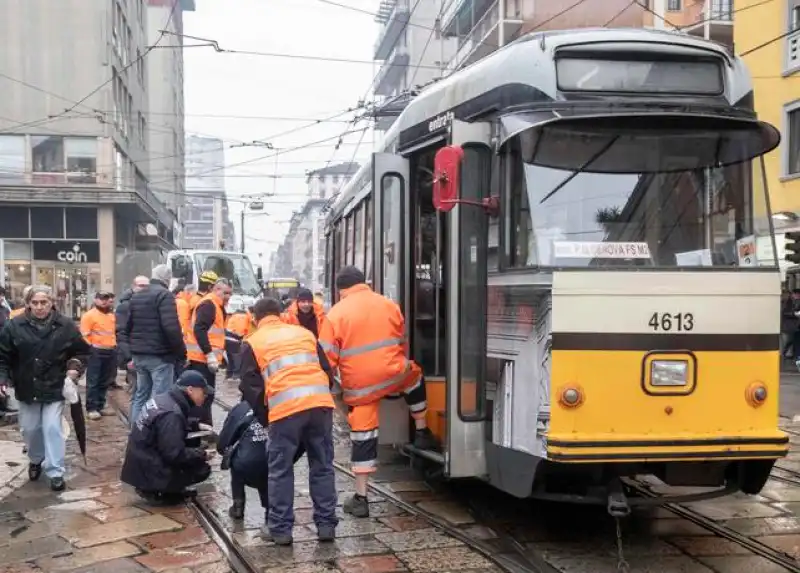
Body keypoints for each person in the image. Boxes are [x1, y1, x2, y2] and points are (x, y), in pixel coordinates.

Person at [321, 266, 436, 518]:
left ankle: (361, 498)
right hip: (394, 374)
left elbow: (326, 360)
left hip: (361, 387)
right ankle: (422, 430)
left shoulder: (335, 314)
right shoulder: (388, 304)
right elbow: (401, 339)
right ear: (365, 283)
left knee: (363, 434)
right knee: (415, 376)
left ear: (342, 290)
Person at [240, 298, 337, 545]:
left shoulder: (253, 341)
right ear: (281, 314)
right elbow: (327, 372)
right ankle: (326, 526)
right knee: (323, 465)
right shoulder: (304, 334)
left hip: (284, 410)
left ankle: (280, 529)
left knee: (280, 470)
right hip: (320, 404)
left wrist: (266, 418)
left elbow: (251, 388)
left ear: (255, 318)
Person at [0, 285, 91, 491]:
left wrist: (73, 370)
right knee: (30, 429)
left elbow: (81, 352)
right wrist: (2, 379)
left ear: (52, 303)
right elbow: (3, 356)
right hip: (27, 386)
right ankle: (35, 458)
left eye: (44, 302)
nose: (40, 307)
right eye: (35, 303)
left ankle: (56, 471)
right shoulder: (14, 326)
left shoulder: (65, 325)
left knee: (52, 428)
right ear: (28, 304)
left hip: (54, 385)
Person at [121, 370, 214, 505]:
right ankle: (160, 490)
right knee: (201, 469)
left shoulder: (165, 399)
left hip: (140, 461)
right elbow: (174, 454)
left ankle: (158, 486)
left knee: (193, 449)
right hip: (149, 469)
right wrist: (202, 454)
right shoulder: (172, 414)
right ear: (190, 390)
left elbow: (163, 427)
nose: (205, 396)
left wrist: (196, 425)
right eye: (203, 392)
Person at [122, 265, 187, 427]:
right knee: (160, 398)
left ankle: (136, 432)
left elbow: (128, 327)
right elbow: (171, 328)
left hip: (139, 355)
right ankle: (153, 434)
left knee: (140, 395)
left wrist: (130, 352)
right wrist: (181, 353)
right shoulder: (165, 296)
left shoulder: (136, 296)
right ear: (167, 278)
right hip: (160, 356)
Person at [186, 278, 231, 425]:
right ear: (216, 290)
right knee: (202, 397)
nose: (228, 297)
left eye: (230, 293)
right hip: (201, 359)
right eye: (226, 293)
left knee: (206, 396)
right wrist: (209, 354)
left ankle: (204, 429)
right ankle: (200, 430)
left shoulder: (216, 305)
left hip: (204, 359)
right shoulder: (209, 305)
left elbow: (214, 333)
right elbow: (199, 330)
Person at [80, 291, 118, 420]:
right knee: (93, 380)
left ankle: (100, 405)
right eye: (102, 298)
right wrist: (90, 348)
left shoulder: (111, 316)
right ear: (96, 300)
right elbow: (84, 335)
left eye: (107, 299)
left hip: (110, 350)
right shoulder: (89, 316)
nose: (104, 301)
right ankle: (92, 407)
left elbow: (113, 333)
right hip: (96, 351)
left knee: (105, 380)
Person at [224, 309, 250, 382]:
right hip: (235, 339)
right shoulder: (245, 317)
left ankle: (229, 375)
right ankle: (236, 375)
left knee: (230, 359)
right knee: (237, 358)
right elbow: (241, 332)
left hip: (226, 339)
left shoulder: (233, 317)